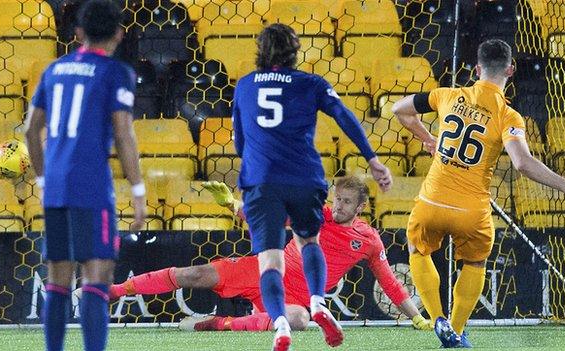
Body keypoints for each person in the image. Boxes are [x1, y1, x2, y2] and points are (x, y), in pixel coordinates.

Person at [391, 39, 565, 348]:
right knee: (474, 265)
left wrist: (429, 139)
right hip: (472, 211)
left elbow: (399, 109)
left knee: (418, 252)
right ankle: (455, 331)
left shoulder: (448, 95)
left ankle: (437, 319)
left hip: (432, 202)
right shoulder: (508, 116)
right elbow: (523, 163)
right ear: (510, 70)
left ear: (476, 69)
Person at [231, 23, 392, 351]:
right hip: (304, 178)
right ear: (294, 52)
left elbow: (239, 142)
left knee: (270, 261)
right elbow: (344, 116)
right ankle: (318, 302)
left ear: (261, 51)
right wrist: (373, 160)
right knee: (308, 241)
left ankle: (279, 325)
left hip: (261, 181)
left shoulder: (244, 86)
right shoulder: (311, 83)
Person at [105, 176, 430, 332]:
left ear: (360, 207)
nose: (339, 205)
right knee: (194, 274)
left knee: (300, 320)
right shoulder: (317, 214)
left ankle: (220, 323)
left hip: (295, 296)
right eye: (337, 198)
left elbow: (389, 282)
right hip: (263, 269)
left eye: (346, 202)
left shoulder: (370, 240)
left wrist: (415, 316)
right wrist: (234, 206)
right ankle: (114, 292)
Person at [24, 1, 147, 350]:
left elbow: (32, 130)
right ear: (119, 34)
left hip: (57, 188)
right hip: (92, 187)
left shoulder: (54, 69)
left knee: (57, 279)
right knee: (98, 275)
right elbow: (123, 135)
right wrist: (138, 191)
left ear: (78, 33)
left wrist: (44, 179)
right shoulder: (115, 73)